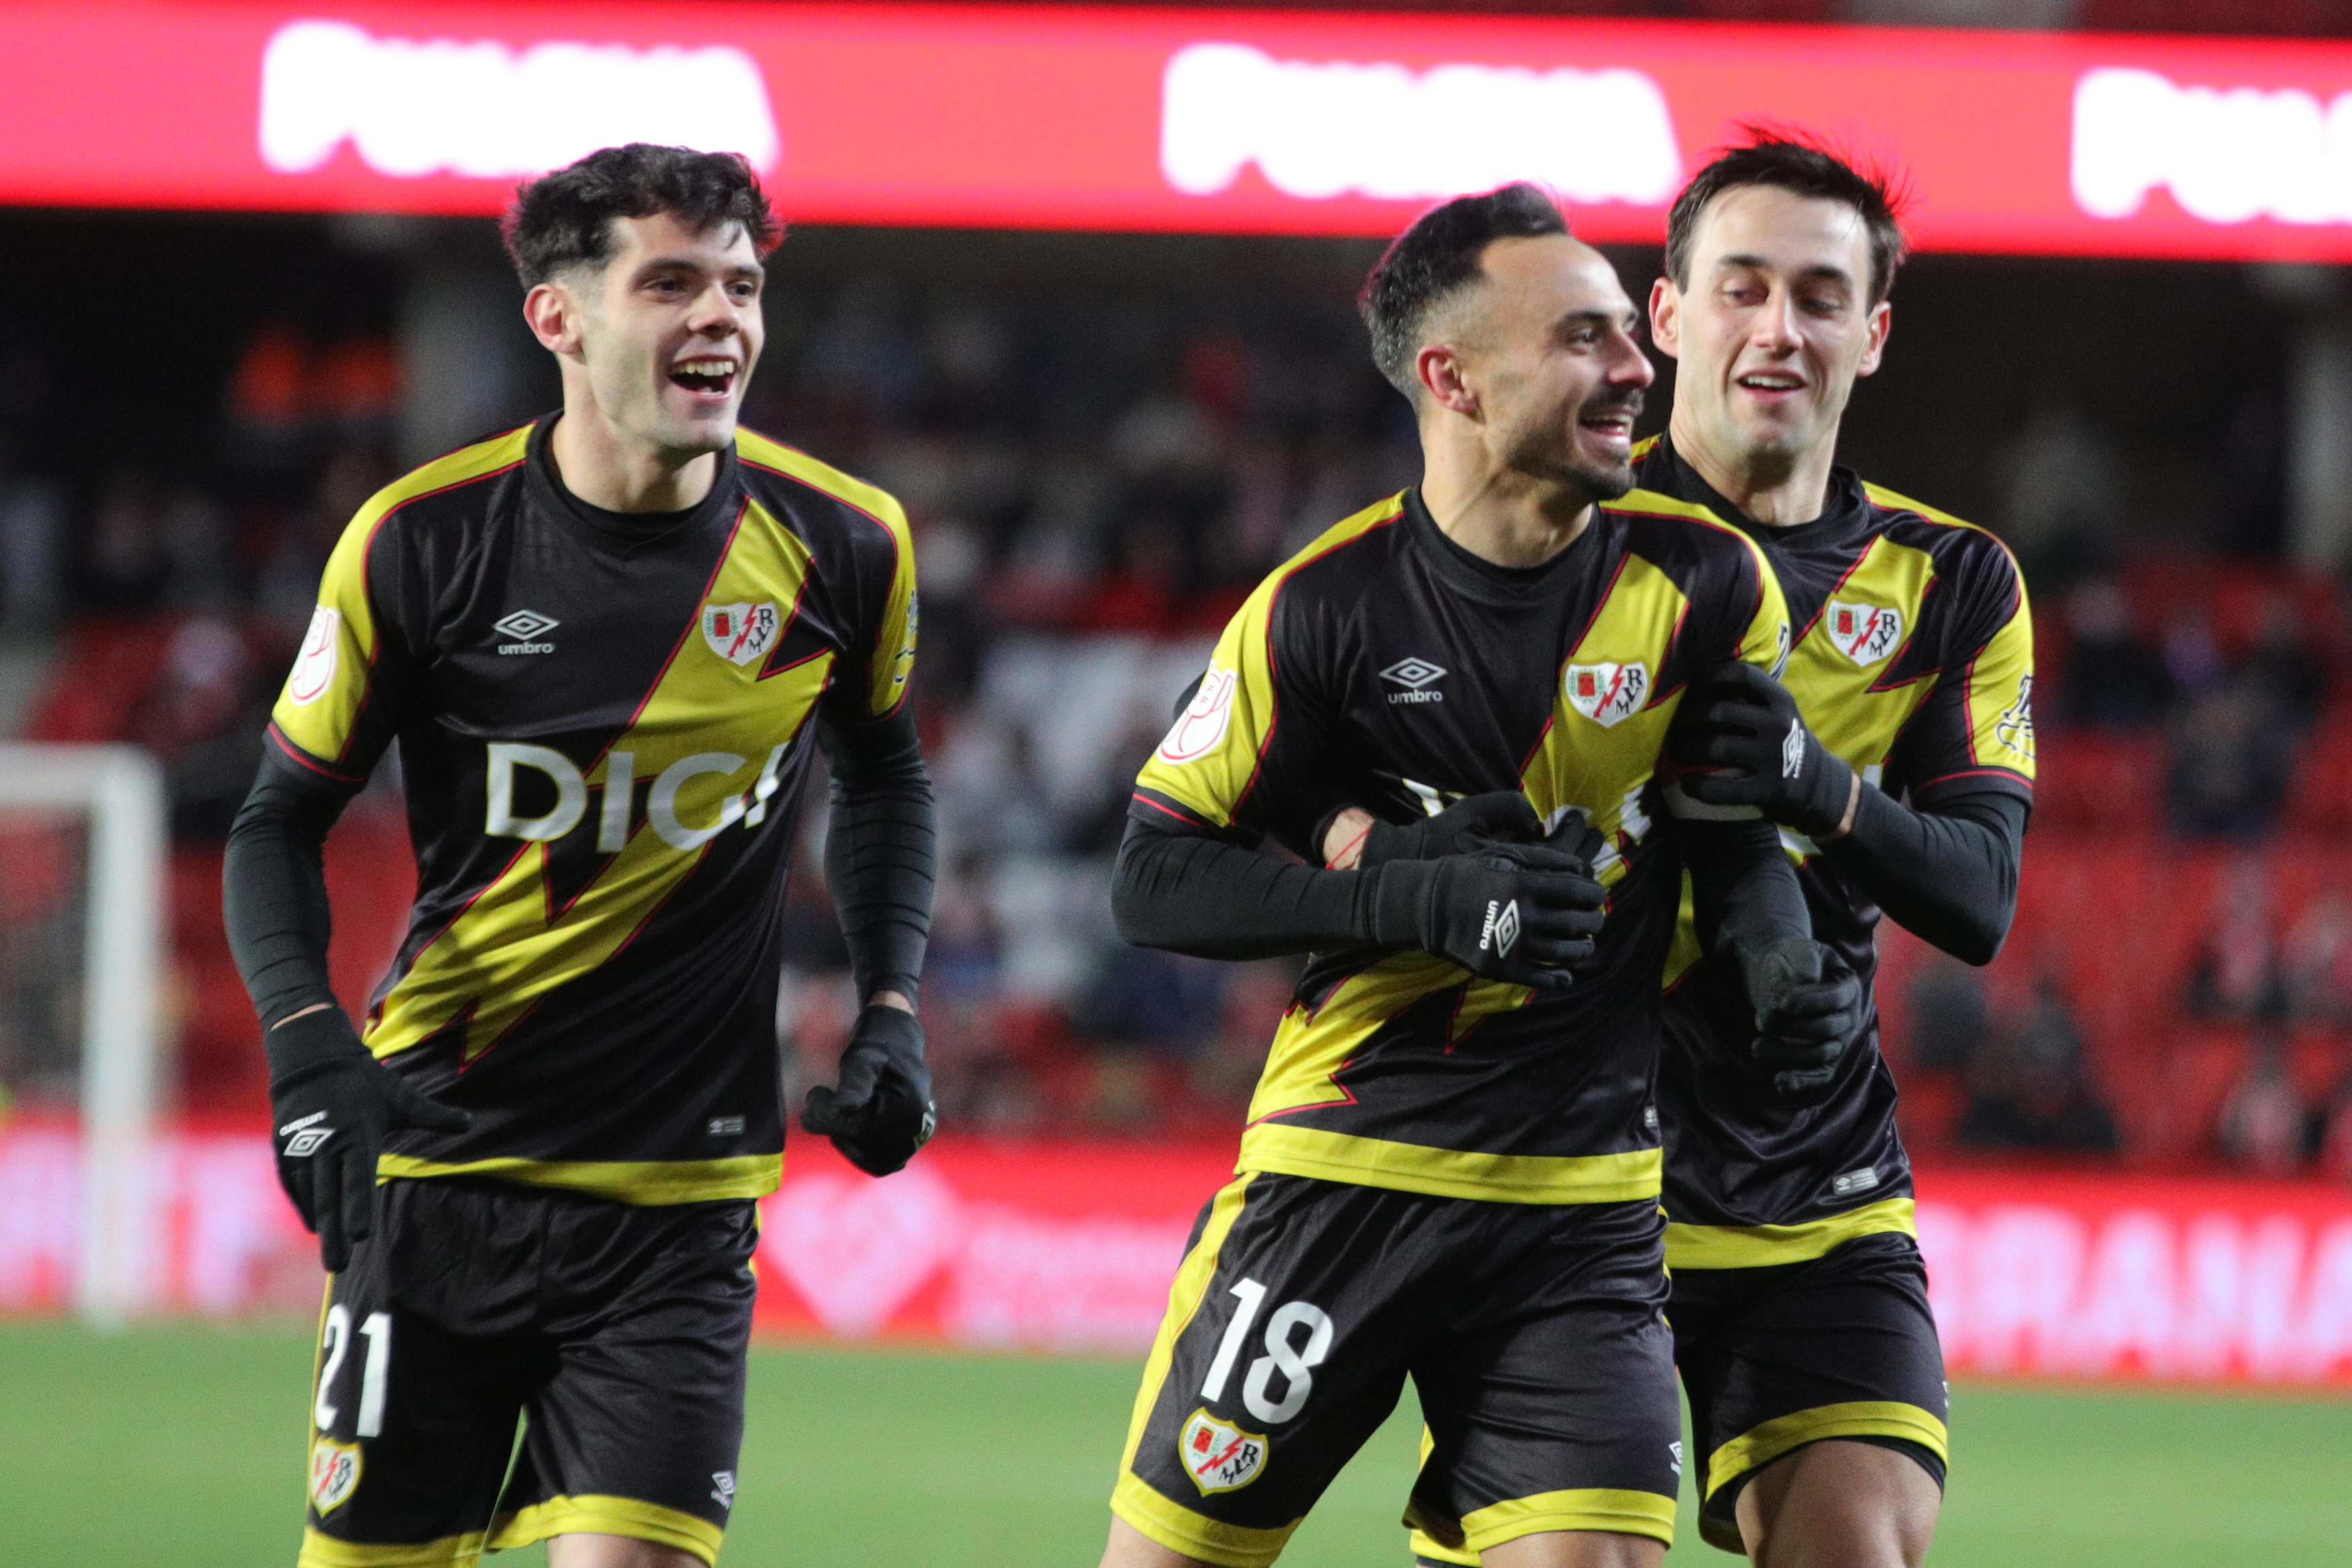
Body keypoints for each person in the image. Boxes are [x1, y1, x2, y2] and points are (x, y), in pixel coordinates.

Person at [1099, 184, 1854, 1568]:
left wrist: (1774, 958)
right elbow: (1153, 874)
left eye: (1630, 331)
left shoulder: (1713, 585)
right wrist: (1406, 897)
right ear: (1450, 376)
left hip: (1584, 1207)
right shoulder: (1322, 608)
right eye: (1584, 337)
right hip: (1347, 1175)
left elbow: (1732, 839)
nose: (1636, 365)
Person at [222, 144, 938, 1568]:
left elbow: (887, 776)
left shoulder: (845, 545)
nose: (720, 316)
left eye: (741, 284)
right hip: (436, 1172)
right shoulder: (422, 545)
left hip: (679, 1206)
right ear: (558, 318)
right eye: (668, 282)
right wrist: (309, 1055)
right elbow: (275, 820)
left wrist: (896, 1007)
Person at [1407, 136, 2034, 1568]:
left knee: (1857, 1546)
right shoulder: (1546, 540)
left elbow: (1979, 892)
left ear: (1871, 336)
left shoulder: (1953, 582)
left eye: (1821, 296)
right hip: (1558, 1187)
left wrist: (1817, 783)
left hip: (1814, 1187)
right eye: (1740, 287)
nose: (1778, 328)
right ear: (1669, 316)